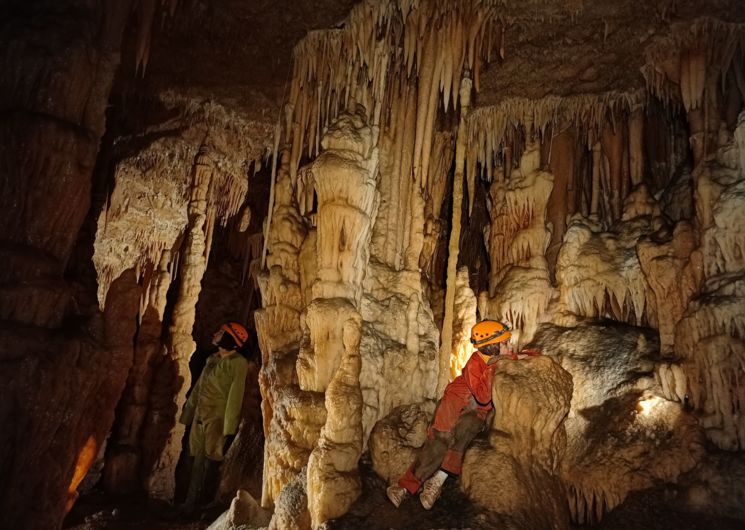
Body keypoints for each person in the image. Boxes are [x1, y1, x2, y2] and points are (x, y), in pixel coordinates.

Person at [386, 319, 537, 510]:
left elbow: (530, 356)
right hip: (455, 403)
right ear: (492, 346)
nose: (511, 345)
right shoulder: (475, 363)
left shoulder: (502, 358)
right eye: (505, 342)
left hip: (476, 412)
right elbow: (483, 396)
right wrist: (500, 363)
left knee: (465, 433)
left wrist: (524, 357)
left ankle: (436, 482)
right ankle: (404, 487)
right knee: (440, 442)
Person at [179, 322, 250, 508]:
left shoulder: (238, 364)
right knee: (193, 457)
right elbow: (198, 388)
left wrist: (229, 429)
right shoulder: (212, 359)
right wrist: (188, 414)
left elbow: (235, 396)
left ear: (228, 339)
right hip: (200, 417)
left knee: (211, 460)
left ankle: (206, 503)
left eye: (220, 332)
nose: (215, 334)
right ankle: (188, 502)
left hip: (217, 420)